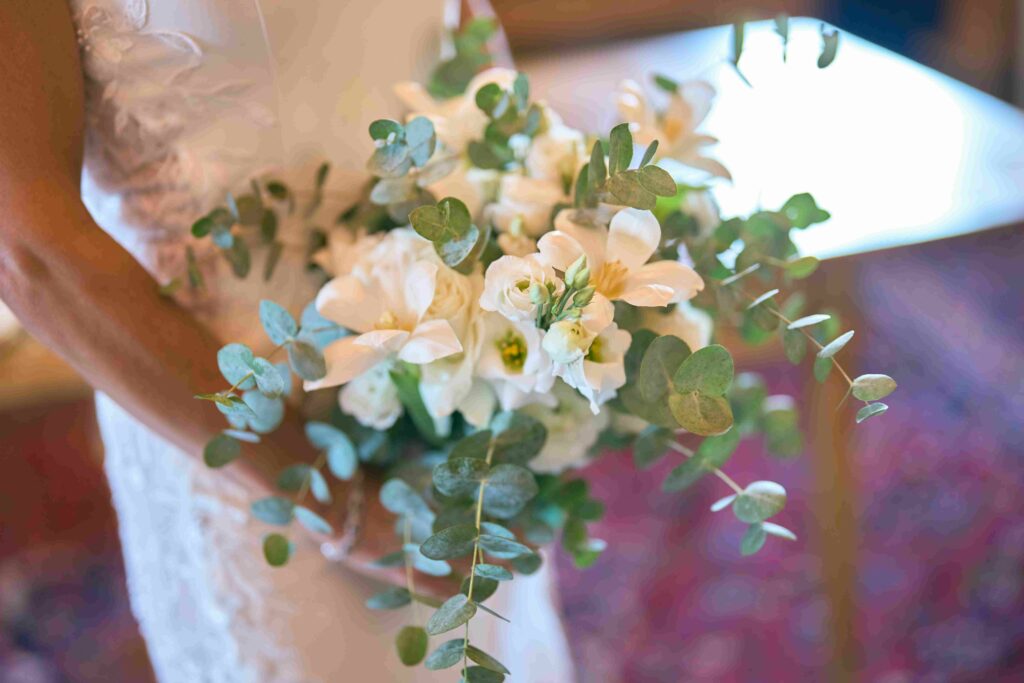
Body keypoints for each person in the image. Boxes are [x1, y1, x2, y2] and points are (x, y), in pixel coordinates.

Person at [0, 1, 574, 680]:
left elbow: (461, 31)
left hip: (458, 359)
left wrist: (534, 236)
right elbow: (29, 251)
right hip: (245, 428)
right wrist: (335, 500)